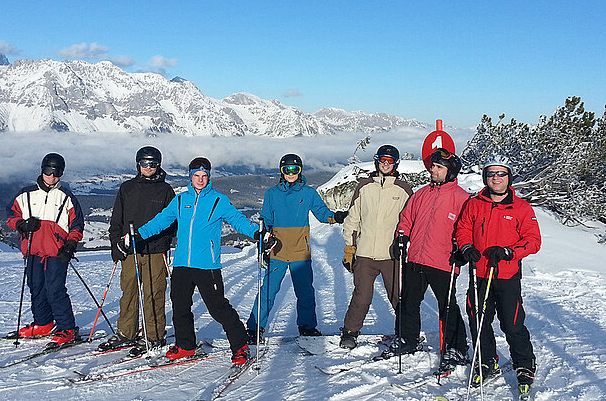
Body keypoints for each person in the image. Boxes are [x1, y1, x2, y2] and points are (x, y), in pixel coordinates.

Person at [136, 157, 259, 365]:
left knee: (218, 307)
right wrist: (139, 235)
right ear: (190, 177)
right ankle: (186, 345)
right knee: (180, 305)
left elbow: (238, 220)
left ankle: (240, 346)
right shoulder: (181, 200)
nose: (200, 180)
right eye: (196, 176)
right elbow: (162, 220)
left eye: (204, 176)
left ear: (209, 177)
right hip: (183, 263)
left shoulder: (219, 200)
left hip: (207, 264)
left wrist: (256, 232)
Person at [455, 155, 541, 395]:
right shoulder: (475, 203)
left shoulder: (521, 207)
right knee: (479, 320)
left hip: (506, 275)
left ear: (508, 177)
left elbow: (533, 241)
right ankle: (486, 359)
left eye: (501, 173)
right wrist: (466, 247)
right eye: (491, 173)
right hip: (479, 273)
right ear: (485, 177)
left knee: (512, 324)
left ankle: (524, 363)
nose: (496, 178)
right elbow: (463, 228)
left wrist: (507, 252)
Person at [246, 154, 345, 342]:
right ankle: (254, 328)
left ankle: (307, 327)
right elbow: (266, 219)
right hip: (278, 250)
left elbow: (322, 213)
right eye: (287, 170)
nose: (291, 174)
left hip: (301, 250)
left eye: (294, 170)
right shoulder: (272, 194)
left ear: (300, 171)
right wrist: (263, 239)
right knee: (268, 290)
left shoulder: (308, 193)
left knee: (305, 291)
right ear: (281, 172)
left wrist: (336, 217)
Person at [388, 147, 469, 369]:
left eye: (438, 167)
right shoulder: (422, 194)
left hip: (444, 261)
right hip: (416, 258)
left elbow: (467, 228)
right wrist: (400, 238)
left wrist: (462, 250)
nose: (433, 170)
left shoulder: (461, 198)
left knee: (447, 306)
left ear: (450, 171)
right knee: (409, 302)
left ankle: (457, 347)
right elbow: (407, 219)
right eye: (433, 166)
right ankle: (408, 338)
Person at [98, 146, 176, 356]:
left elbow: (172, 223)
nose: (148, 167)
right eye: (144, 163)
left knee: (153, 293)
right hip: (130, 250)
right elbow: (117, 220)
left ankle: (154, 335)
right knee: (129, 291)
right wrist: (116, 245)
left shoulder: (166, 190)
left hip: (155, 251)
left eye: (152, 164)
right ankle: (127, 332)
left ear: (158, 165)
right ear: (138, 165)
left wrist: (163, 241)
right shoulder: (127, 188)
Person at [7, 153, 84, 347]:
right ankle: (44, 323)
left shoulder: (66, 197)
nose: (52, 176)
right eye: (49, 171)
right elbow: (11, 216)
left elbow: (77, 225)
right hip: (33, 249)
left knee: (55, 289)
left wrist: (70, 245)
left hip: (57, 251)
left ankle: (67, 328)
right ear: (42, 170)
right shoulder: (26, 194)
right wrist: (22, 225)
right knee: (36, 288)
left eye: (57, 172)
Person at [339, 145, 413, 349]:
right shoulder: (364, 187)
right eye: (383, 161)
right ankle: (350, 331)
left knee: (397, 296)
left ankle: (405, 332)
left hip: (392, 255)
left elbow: (410, 221)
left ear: (396, 164)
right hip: (365, 253)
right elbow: (353, 219)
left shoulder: (403, 190)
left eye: (390, 161)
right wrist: (350, 248)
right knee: (361, 296)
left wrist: (406, 245)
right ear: (377, 161)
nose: (386, 165)